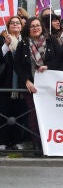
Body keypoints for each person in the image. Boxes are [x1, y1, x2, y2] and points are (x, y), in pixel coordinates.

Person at [13, 17, 63, 153]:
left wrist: (48, 66)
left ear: (42, 27)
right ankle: (37, 144)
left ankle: (53, 144)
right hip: (32, 86)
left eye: (38, 25)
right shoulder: (23, 43)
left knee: (51, 114)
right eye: (32, 26)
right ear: (28, 29)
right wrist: (26, 80)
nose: (35, 28)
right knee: (34, 115)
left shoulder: (51, 40)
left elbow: (61, 59)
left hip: (50, 86)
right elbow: (17, 65)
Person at [0, 16, 27, 150]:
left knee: (19, 112)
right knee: (4, 111)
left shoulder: (25, 41)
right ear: (8, 26)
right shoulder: (3, 41)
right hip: (6, 83)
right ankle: (3, 141)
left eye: (18, 23)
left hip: (21, 83)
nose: (15, 25)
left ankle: (17, 141)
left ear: (21, 26)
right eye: (12, 23)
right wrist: (5, 45)